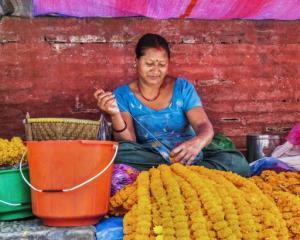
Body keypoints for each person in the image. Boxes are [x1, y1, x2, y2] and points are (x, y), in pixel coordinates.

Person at [94, 33, 250, 177]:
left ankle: (173, 174)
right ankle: (187, 174)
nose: (155, 70)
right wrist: (115, 114)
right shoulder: (122, 95)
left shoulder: (183, 88)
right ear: (136, 61)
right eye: (149, 64)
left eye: (161, 64)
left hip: (190, 156)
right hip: (152, 157)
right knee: (120, 153)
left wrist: (197, 143)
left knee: (238, 163)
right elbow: (129, 142)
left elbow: (204, 125)